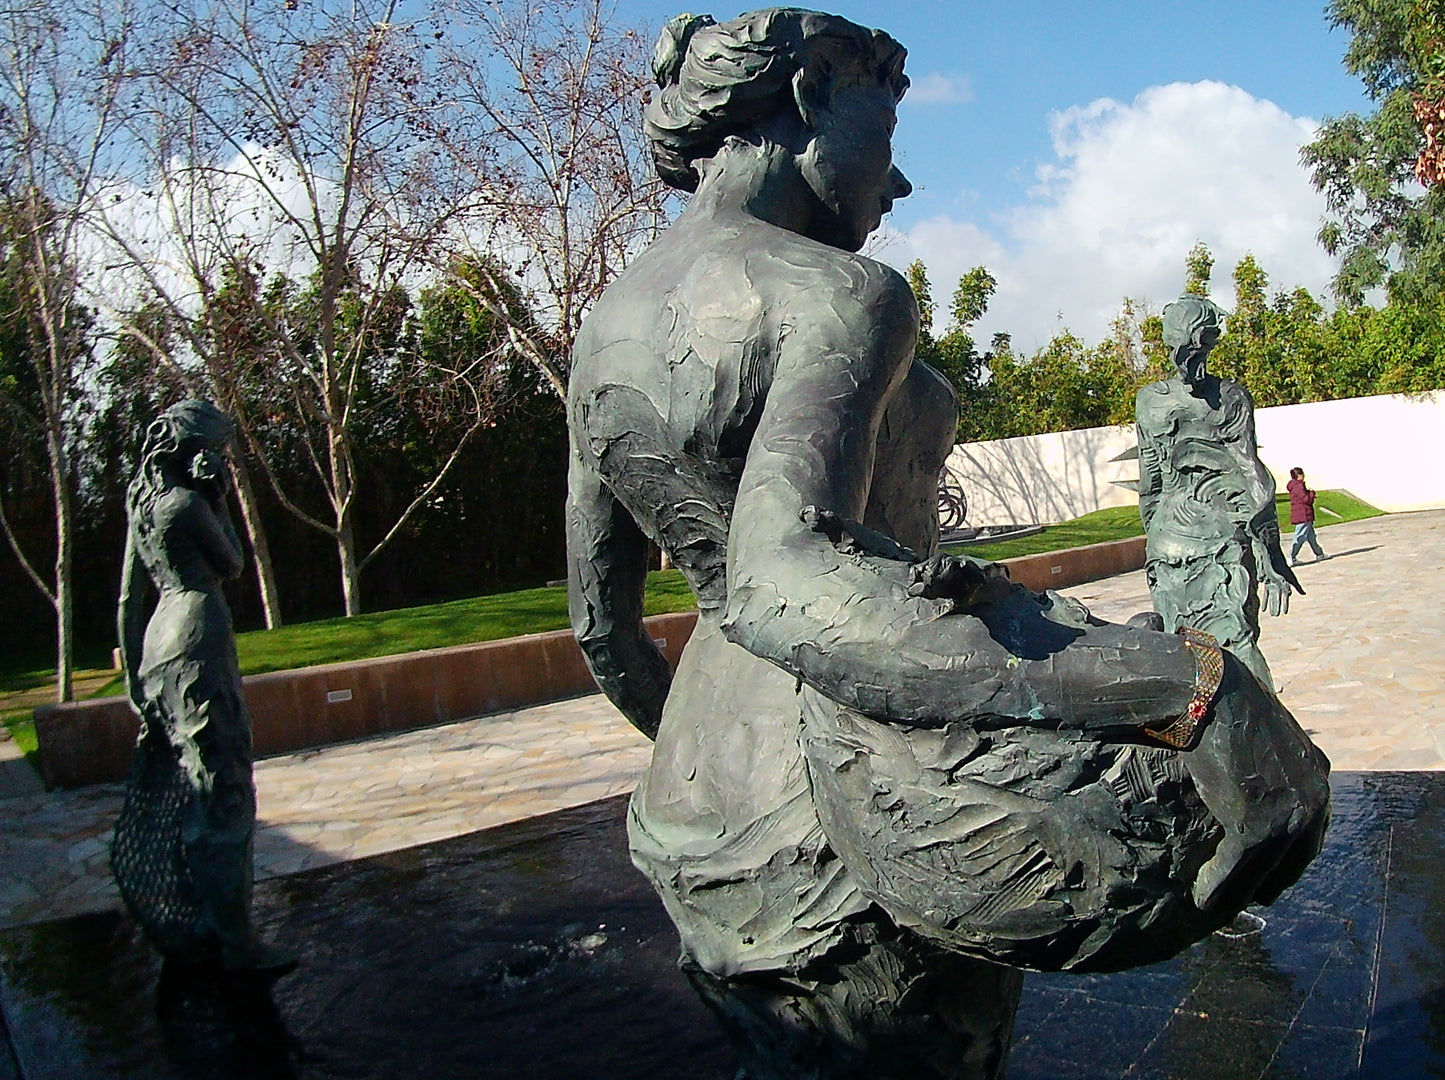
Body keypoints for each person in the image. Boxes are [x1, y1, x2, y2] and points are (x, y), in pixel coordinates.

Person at [566, 9, 1329, 1074]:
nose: (900, 184)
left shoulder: (606, 324)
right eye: (884, 133)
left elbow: (601, 628)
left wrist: (710, 761)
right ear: (806, 98)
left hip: (694, 806)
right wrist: (1188, 688)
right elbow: (783, 582)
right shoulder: (836, 294)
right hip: (861, 820)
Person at [112, 399, 288, 972]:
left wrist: (133, 683)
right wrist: (220, 499)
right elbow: (234, 563)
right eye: (213, 451)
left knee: (199, 785)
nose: (219, 461)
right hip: (197, 637)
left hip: (157, 648)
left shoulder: (144, 508)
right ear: (190, 453)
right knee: (226, 789)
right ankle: (236, 946)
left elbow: (125, 603)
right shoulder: (188, 504)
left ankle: (210, 921)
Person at [1136, 297, 1300, 691]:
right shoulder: (1230, 397)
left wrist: (1154, 542)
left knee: (1193, 655)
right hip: (1213, 544)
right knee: (1235, 649)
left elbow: (1150, 489)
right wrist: (1270, 554)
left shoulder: (1151, 401)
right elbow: (1252, 476)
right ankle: (1269, 741)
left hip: (1176, 544)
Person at [1288, 467, 1327, 564]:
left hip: (1304, 514)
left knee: (1311, 537)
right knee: (1300, 536)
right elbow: (1306, 500)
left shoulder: (1295, 486)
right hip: (1303, 514)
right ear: (1299, 476)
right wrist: (1312, 493)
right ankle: (1291, 557)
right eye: (1302, 474)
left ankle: (1319, 554)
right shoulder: (1298, 486)